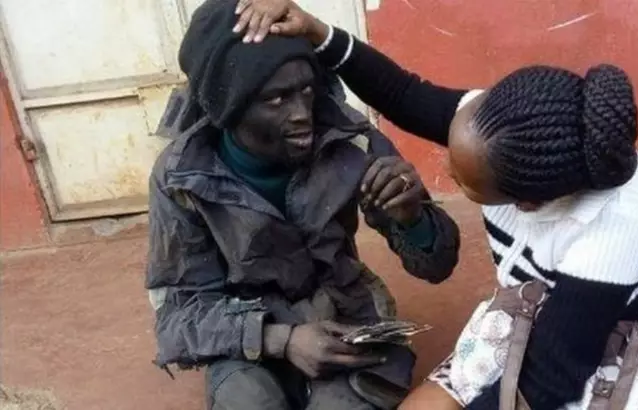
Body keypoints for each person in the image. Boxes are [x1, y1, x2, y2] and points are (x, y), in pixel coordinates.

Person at [231, 1, 638, 409]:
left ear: (527, 203)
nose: (447, 169)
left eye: (460, 180)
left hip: (637, 337)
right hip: (538, 305)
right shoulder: (498, 128)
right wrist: (317, 32)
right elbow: (403, 94)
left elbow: (547, 382)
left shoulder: (614, 228)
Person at [144, 1, 461, 409]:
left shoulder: (348, 139)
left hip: (345, 315)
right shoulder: (181, 177)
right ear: (230, 108)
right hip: (247, 330)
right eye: (276, 99)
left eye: (306, 90)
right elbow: (177, 318)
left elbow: (437, 267)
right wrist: (281, 339)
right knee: (250, 400)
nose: (301, 114)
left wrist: (413, 218)